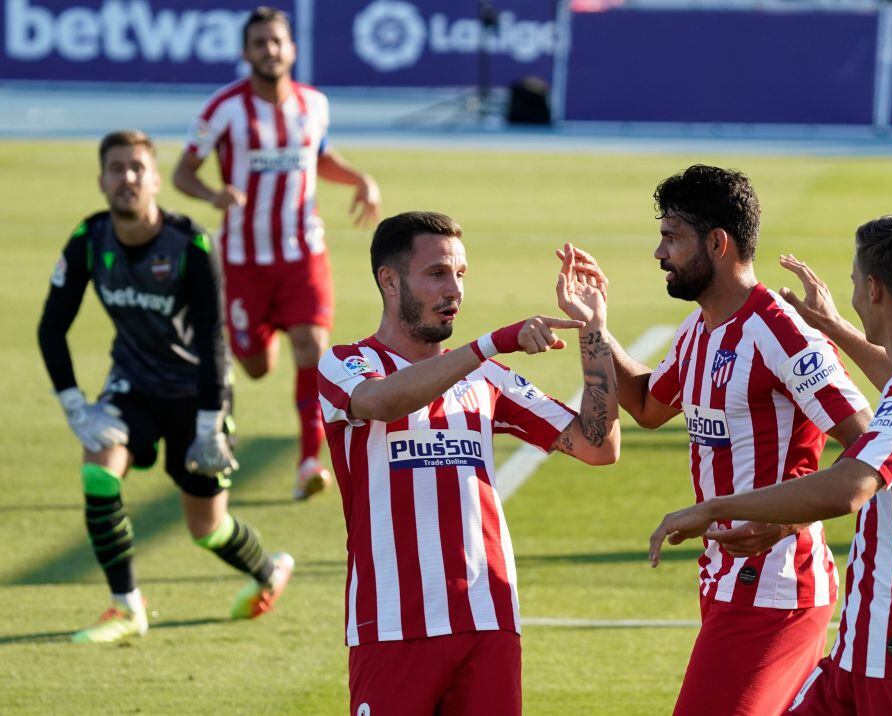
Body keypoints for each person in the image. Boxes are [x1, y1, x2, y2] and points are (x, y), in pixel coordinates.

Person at [565, 165, 872, 715]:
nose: (659, 253)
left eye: (671, 237)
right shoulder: (698, 331)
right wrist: (594, 327)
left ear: (717, 242)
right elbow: (649, 406)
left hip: (775, 586)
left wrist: (786, 520)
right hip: (724, 581)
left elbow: (870, 446)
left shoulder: (781, 332)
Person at [650, 215, 892, 714]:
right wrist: (830, 324)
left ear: (873, 288)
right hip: (857, 656)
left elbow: (848, 487)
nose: (850, 294)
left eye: (853, 282)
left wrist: (714, 508)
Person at [316, 211, 620, 715]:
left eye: (460, 274)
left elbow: (597, 446)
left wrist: (594, 333)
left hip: (487, 622)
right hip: (393, 624)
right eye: (437, 273)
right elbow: (380, 403)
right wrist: (490, 344)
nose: (453, 289)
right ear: (389, 281)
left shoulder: (486, 379)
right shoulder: (348, 363)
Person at [37, 130, 293, 644]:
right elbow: (51, 327)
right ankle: (127, 606)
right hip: (131, 388)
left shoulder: (191, 244)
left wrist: (208, 425)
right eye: (116, 168)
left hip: (195, 394)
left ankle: (269, 571)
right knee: (99, 474)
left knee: (206, 529)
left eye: (136, 168)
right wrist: (74, 406)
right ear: (102, 181)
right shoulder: (88, 240)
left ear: (155, 179)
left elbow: (215, 339)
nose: (126, 177)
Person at [173, 6, 382, 501]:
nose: (270, 50)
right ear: (246, 53)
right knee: (257, 365)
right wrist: (213, 196)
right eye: (260, 43)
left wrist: (361, 180)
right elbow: (184, 172)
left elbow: (321, 157)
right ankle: (243, 369)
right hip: (244, 260)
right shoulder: (223, 109)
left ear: (292, 49)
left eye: (277, 42)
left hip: (302, 253)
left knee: (311, 347)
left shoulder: (314, 104)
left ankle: (310, 459)